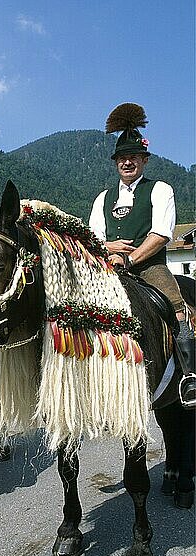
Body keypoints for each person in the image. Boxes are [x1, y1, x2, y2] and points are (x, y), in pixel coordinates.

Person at [89, 103, 195, 406]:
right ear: (115, 163)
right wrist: (109, 250)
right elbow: (93, 238)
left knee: (175, 303)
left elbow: (161, 234)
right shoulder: (103, 198)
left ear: (144, 160)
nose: (127, 162)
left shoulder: (160, 190)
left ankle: (189, 375)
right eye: (122, 158)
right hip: (109, 268)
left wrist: (132, 259)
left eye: (133, 157)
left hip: (148, 266)